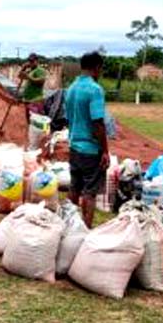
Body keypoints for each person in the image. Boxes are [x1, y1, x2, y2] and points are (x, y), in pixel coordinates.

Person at [64, 51, 109, 228]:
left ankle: (68, 226)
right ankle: (85, 229)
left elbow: (69, 118)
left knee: (74, 188)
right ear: (97, 67)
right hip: (90, 149)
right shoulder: (95, 90)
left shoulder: (71, 89)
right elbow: (98, 123)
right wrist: (105, 151)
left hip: (74, 146)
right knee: (89, 193)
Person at [18, 53, 47, 122]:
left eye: (32, 61)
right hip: (28, 100)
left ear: (37, 61)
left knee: (36, 121)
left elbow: (41, 82)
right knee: (29, 120)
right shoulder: (30, 70)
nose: (30, 63)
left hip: (35, 100)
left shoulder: (40, 70)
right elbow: (20, 76)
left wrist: (28, 77)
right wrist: (23, 68)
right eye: (29, 61)